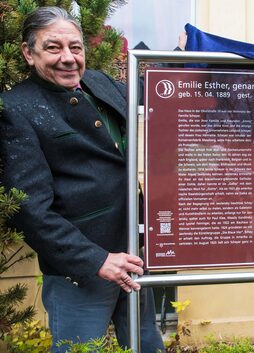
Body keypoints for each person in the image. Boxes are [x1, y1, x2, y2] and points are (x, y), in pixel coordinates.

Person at [0, 7, 164, 352]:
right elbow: (29, 209)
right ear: (28, 54)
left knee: (147, 344)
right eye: (53, 48)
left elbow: (162, 95)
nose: (68, 58)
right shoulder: (16, 108)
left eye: (75, 48)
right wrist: (96, 260)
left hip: (134, 256)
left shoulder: (101, 82)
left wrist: (195, 57)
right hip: (83, 268)